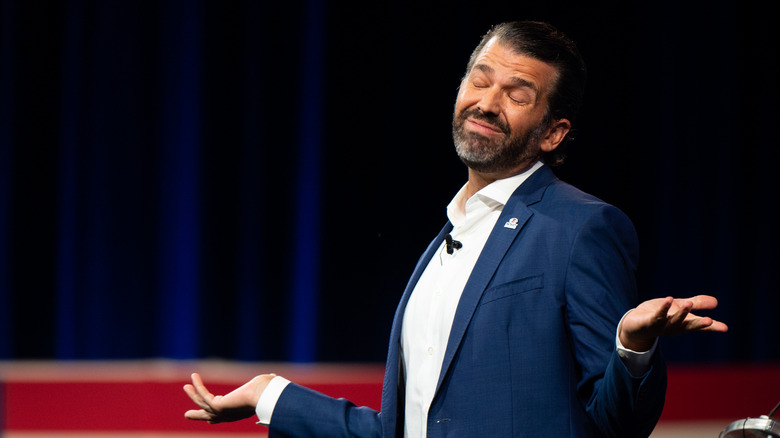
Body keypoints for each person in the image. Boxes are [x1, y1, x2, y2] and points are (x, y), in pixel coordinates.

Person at [183, 21, 728, 437]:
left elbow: (616, 424)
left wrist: (631, 347)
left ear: (553, 133)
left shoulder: (580, 227)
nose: (487, 103)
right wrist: (269, 395)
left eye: (517, 94)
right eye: (480, 79)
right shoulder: (442, 247)